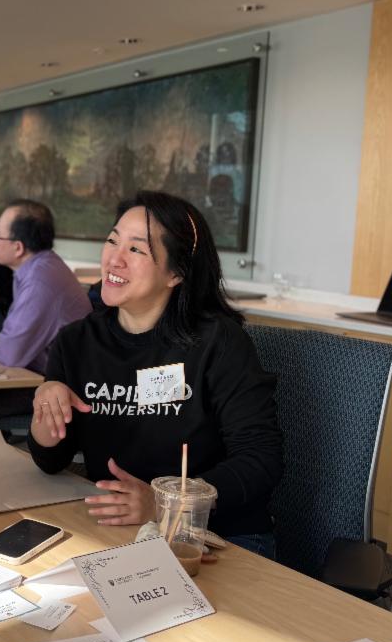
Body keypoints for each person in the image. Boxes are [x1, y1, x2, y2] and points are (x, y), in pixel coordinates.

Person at [28, 190, 282, 557]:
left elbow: (261, 459)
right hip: (120, 531)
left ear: (175, 273)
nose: (115, 259)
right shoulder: (77, 341)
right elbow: (52, 460)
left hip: (217, 536)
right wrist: (45, 413)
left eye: (136, 249)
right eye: (112, 241)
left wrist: (166, 504)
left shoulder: (218, 342)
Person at [0, 201, 91, 439]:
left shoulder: (40, 281)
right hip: (44, 375)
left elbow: (9, 356)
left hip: (57, 386)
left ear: (18, 247)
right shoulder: (43, 267)